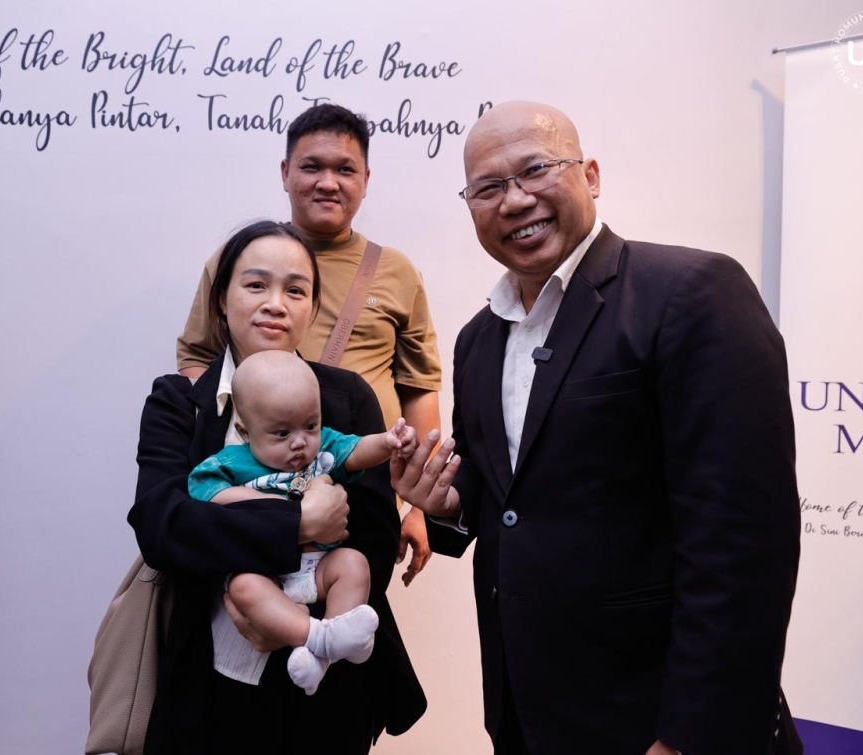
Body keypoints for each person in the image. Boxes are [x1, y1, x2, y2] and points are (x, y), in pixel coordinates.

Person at [390, 101, 804, 755]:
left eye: (535, 170)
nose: (516, 199)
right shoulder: (477, 340)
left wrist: (690, 737)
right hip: (528, 716)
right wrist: (448, 504)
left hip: (655, 719)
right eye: (489, 187)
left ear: (591, 174)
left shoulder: (691, 293)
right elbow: (509, 498)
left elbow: (745, 544)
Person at [130, 220, 426, 754]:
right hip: (208, 677)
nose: (275, 303)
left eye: (296, 289)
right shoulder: (180, 401)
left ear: (312, 308)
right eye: (255, 285)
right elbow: (162, 528)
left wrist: (293, 623)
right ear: (221, 299)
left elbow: (374, 541)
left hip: (326, 687)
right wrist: (299, 524)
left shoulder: (346, 397)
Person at [177, 103, 442, 586]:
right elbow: (196, 357)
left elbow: (419, 386)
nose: (328, 182)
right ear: (285, 172)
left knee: (347, 597)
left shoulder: (397, 272)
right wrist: (234, 438)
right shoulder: (235, 259)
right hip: (253, 478)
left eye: (345, 169)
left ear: (365, 177)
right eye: (311, 166)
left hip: (359, 480)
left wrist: (419, 504)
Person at [188, 350, 417, 696]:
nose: (299, 442)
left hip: (320, 567)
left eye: (310, 425)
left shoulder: (323, 446)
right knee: (242, 588)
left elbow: (355, 451)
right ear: (244, 430)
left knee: (354, 565)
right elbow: (203, 490)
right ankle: (318, 637)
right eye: (281, 433)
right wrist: (273, 505)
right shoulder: (233, 462)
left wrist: (387, 443)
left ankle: (322, 654)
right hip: (269, 575)